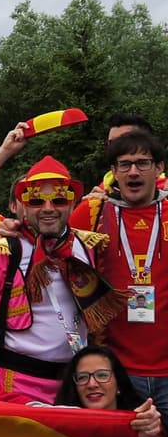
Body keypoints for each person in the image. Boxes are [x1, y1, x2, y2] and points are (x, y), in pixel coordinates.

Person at [0, 156, 115, 404]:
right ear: (22, 204)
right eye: (35, 201)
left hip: (76, 388)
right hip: (12, 388)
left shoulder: (88, 246)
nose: (48, 208)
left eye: (59, 199)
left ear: (73, 202)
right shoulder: (0, 252)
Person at [70, 132, 168, 422]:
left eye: (142, 163)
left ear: (159, 168)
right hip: (116, 370)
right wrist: (11, 229)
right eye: (124, 165)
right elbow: (51, 242)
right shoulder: (92, 213)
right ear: (113, 172)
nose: (133, 172)